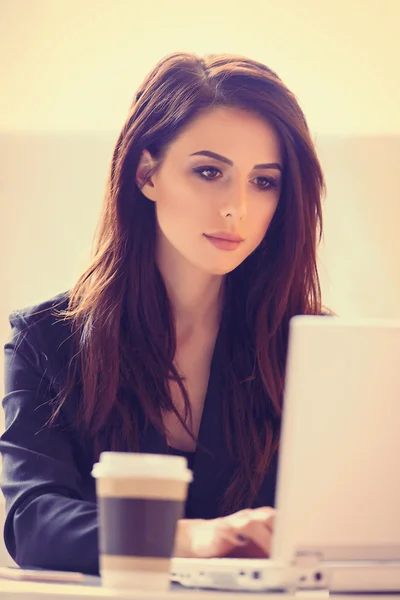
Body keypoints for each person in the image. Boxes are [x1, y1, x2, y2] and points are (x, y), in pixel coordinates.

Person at [0, 51, 326, 575]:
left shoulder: (315, 352)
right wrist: (191, 539)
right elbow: (33, 522)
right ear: (147, 173)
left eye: (264, 181)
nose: (236, 208)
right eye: (209, 171)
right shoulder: (48, 342)